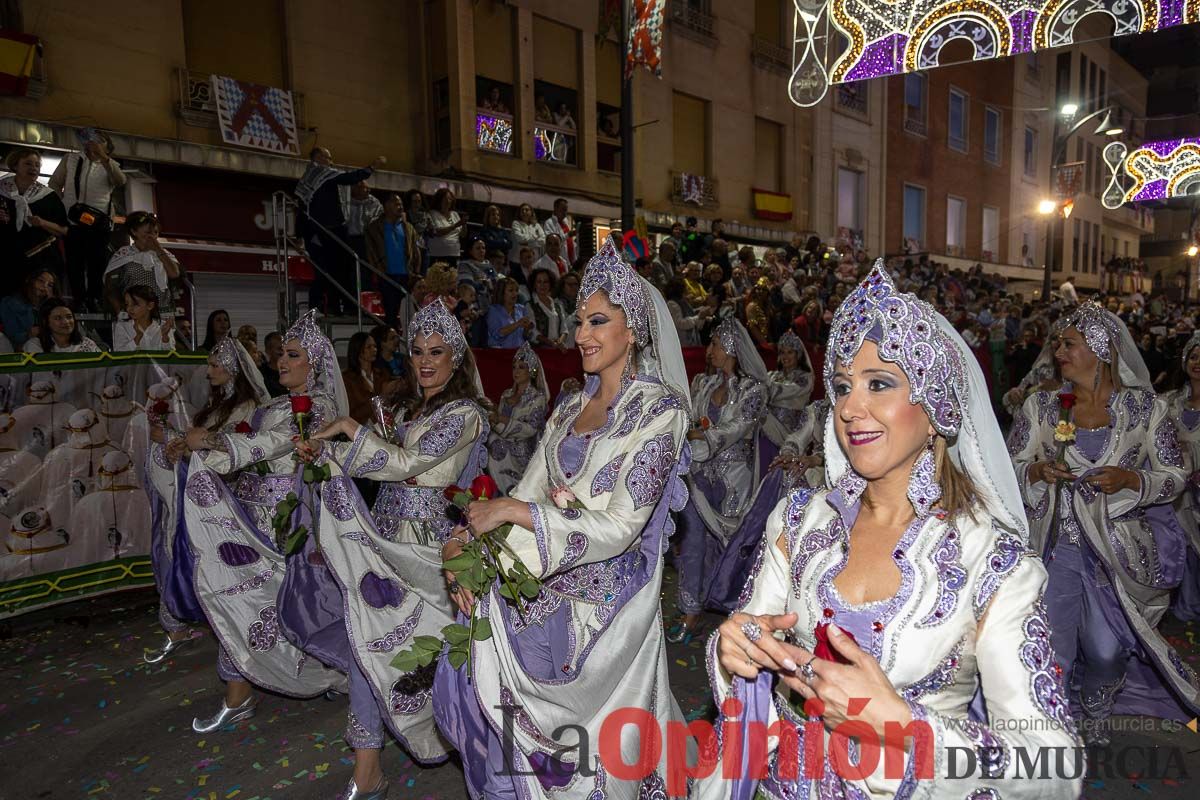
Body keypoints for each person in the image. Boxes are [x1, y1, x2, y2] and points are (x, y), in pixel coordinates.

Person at [696, 262, 1082, 800]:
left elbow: (1051, 768)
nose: (850, 408)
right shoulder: (799, 520)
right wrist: (732, 649)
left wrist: (902, 726)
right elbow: (753, 641)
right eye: (840, 387)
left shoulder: (992, 561)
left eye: (879, 383)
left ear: (935, 405)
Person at [437, 236, 692, 798]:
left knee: (582, 767)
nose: (580, 336)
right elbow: (527, 491)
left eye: (597, 321)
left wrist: (516, 511)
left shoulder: (661, 412)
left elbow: (623, 527)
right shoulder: (570, 405)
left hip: (603, 606)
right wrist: (473, 550)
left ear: (634, 331)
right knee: (490, 697)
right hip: (540, 580)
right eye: (579, 321)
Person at [296, 300, 492, 796]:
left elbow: (411, 464)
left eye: (437, 352)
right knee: (368, 642)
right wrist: (328, 452)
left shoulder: (464, 414)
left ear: (457, 357)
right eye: (418, 351)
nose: (425, 361)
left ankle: (476, 745)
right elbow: (385, 463)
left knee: (445, 662)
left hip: (434, 555)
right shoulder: (408, 407)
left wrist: (350, 431)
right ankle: (368, 766)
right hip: (385, 543)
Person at [1009, 301, 1200, 744]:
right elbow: (1010, 465)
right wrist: (1037, 472)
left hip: (1119, 553)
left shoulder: (1146, 411)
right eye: (1058, 342)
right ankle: (1056, 722)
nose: (1058, 350)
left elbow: (1174, 476)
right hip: (1055, 547)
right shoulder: (1041, 407)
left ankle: (1097, 702)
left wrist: (1131, 478)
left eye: (1069, 343)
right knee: (1050, 645)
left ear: (1101, 350)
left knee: (1106, 649)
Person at [181, 310, 346, 736]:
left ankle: (255, 693)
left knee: (270, 600)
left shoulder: (319, 407)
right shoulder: (275, 402)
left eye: (293, 355)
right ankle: (252, 690)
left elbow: (274, 443)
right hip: (252, 514)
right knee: (243, 598)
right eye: (281, 354)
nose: (281, 362)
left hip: (286, 522)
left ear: (315, 364)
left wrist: (215, 441)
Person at [142, 336, 268, 663]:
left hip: (226, 503)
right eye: (209, 364)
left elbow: (227, 451)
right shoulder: (216, 404)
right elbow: (199, 443)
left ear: (231, 370)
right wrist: (176, 445)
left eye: (214, 365)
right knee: (179, 553)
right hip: (203, 496)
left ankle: (237, 647)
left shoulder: (246, 408)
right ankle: (176, 626)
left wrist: (175, 440)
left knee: (211, 570)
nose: (208, 371)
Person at [669, 317, 768, 644]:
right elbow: (688, 414)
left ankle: (731, 607)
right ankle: (691, 609)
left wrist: (702, 434)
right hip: (699, 474)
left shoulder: (754, 390)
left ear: (729, 349)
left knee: (730, 546)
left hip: (733, 480)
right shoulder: (703, 384)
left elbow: (738, 427)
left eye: (714, 344)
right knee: (693, 538)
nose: (709, 350)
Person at [295, 147, 385, 315]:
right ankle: (323, 306)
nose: (332, 161)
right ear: (318, 158)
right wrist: (371, 168)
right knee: (329, 272)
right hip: (324, 231)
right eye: (328, 157)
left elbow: (302, 208)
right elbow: (349, 178)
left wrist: (301, 235)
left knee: (339, 270)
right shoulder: (320, 174)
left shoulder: (312, 178)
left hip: (328, 230)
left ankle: (338, 306)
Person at [49, 128, 126, 305]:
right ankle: (78, 299)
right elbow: (54, 183)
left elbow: (121, 181)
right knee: (74, 263)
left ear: (108, 146)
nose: (95, 142)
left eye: (101, 140)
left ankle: (94, 298)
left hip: (99, 222)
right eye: (93, 139)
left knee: (97, 263)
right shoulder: (71, 159)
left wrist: (104, 158)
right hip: (73, 220)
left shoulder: (111, 165)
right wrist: (64, 204)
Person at [1163, 331, 1200, 619]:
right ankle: (1184, 606)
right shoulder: (1168, 402)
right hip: (1177, 491)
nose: (1197, 363)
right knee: (1180, 543)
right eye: (1194, 356)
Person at [0, 148, 68, 296]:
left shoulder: (48, 196)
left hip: (41, 259)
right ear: (15, 166)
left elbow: (64, 230)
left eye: (37, 165)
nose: (34, 168)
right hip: (6, 259)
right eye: (28, 164)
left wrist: (43, 223)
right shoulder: (1, 190)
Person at [487, 343, 549, 494]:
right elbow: (498, 424)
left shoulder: (537, 398)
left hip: (526, 444)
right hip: (503, 438)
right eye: (514, 367)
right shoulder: (506, 394)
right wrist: (493, 419)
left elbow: (531, 430)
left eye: (521, 367)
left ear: (532, 371)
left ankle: (513, 494)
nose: (516, 371)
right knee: (491, 440)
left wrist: (501, 419)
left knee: (498, 445)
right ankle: (499, 493)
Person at [103, 211, 180, 319]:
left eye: (155, 232)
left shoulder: (164, 254)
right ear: (134, 231)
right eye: (148, 232)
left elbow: (174, 273)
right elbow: (110, 288)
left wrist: (158, 249)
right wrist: (120, 311)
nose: (152, 236)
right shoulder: (123, 254)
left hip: (162, 312)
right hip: (132, 313)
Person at [365, 193, 419, 327]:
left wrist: (415, 272)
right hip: (386, 276)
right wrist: (378, 272)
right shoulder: (374, 228)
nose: (400, 207)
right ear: (386, 206)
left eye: (401, 204)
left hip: (406, 276)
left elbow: (416, 252)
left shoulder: (408, 228)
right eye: (396, 204)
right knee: (390, 314)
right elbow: (371, 252)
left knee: (408, 314)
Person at [762, 330, 815, 449]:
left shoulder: (805, 378)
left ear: (798, 355)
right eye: (782, 352)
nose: (785, 357)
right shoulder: (771, 376)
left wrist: (763, 388)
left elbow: (786, 390)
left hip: (790, 435)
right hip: (766, 432)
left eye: (790, 352)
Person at [0, 268, 56, 348]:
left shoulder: (49, 305)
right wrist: (30, 333)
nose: (45, 286)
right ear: (29, 280)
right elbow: (12, 336)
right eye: (41, 281)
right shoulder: (10, 303)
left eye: (50, 285)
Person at [23, 297, 100, 353]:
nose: (66, 322)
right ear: (46, 322)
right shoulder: (34, 346)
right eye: (58, 318)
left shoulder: (87, 344)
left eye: (69, 317)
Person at [342, 330, 389, 424]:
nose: (374, 350)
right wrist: (379, 398)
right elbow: (350, 413)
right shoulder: (347, 379)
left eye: (375, 346)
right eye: (369, 347)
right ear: (358, 350)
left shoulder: (382, 374)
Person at [112, 284, 175, 352]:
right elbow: (119, 354)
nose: (129, 308)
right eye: (127, 304)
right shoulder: (122, 326)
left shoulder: (163, 326)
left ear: (150, 306)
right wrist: (137, 338)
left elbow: (171, 357)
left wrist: (165, 337)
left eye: (135, 304)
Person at [527, 267, 571, 350]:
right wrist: (550, 343)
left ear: (551, 284)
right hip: (538, 351)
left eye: (546, 282)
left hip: (557, 350)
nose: (542, 285)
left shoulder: (557, 305)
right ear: (534, 284)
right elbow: (532, 332)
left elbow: (564, 329)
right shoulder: (529, 306)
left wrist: (560, 342)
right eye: (539, 282)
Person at [486, 276, 532, 348]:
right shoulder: (494, 310)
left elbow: (526, 337)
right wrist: (517, 324)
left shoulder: (521, 308)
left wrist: (527, 329)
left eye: (516, 290)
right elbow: (497, 335)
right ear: (502, 293)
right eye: (511, 290)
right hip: (500, 353)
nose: (515, 293)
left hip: (519, 353)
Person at [345, 179, 383, 261]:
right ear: (356, 189)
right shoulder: (346, 202)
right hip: (349, 239)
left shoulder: (374, 203)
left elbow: (380, 218)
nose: (369, 190)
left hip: (367, 240)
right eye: (365, 188)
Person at [427, 188, 466, 263]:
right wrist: (456, 225)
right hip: (438, 255)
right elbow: (437, 232)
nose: (448, 201)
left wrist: (464, 224)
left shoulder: (454, 214)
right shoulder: (432, 214)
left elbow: (463, 235)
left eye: (450, 199)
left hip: (454, 254)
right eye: (445, 199)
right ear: (439, 200)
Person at [458, 236, 497, 310]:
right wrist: (485, 284)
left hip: (492, 303)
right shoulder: (465, 265)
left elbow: (497, 283)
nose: (481, 251)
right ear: (470, 251)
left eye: (483, 248)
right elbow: (467, 286)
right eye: (478, 248)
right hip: (474, 304)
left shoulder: (489, 265)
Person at [508, 202, 545, 270]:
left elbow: (543, 240)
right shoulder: (516, 223)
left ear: (531, 212)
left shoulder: (537, 225)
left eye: (527, 210)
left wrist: (527, 243)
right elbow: (520, 239)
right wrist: (535, 237)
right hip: (517, 261)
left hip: (534, 262)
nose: (524, 212)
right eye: (522, 210)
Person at [542, 197, 575, 264]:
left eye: (566, 210)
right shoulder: (549, 223)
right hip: (557, 261)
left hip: (570, 261)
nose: (565, 213)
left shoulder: (565, 223)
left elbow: (569, 242)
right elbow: (552, 243)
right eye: (563, 209)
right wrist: (568, 235)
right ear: (555, 209)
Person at [259, 332, 285, 397]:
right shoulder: (261, 374)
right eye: (280, 349)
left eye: (286, 349)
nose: (284, 353)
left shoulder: (292, 370)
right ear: (268, 350)